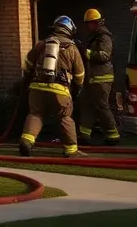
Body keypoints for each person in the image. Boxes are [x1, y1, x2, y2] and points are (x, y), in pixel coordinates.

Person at [19, 16, 87, 158]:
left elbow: (28, 65)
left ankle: (26, 141)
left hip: (37, 88)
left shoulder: (42, 44)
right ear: (70, 30)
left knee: (35, 114)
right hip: (60, 90)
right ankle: (71, 150)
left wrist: (26, 82)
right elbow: (80, 73)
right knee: (65, 117)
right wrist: (78, 88)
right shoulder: (72, 48)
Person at [78, 8, 119, 146]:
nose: (86, 26)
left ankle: (113, 135)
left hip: (102, 78)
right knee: (87, 105)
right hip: (92, 78)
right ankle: (84, 135)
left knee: (102, 106)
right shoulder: (94, 36)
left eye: (88, 23)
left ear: (95, 23)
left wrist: (86, 52)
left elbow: (104, 55)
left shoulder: (104, 37)